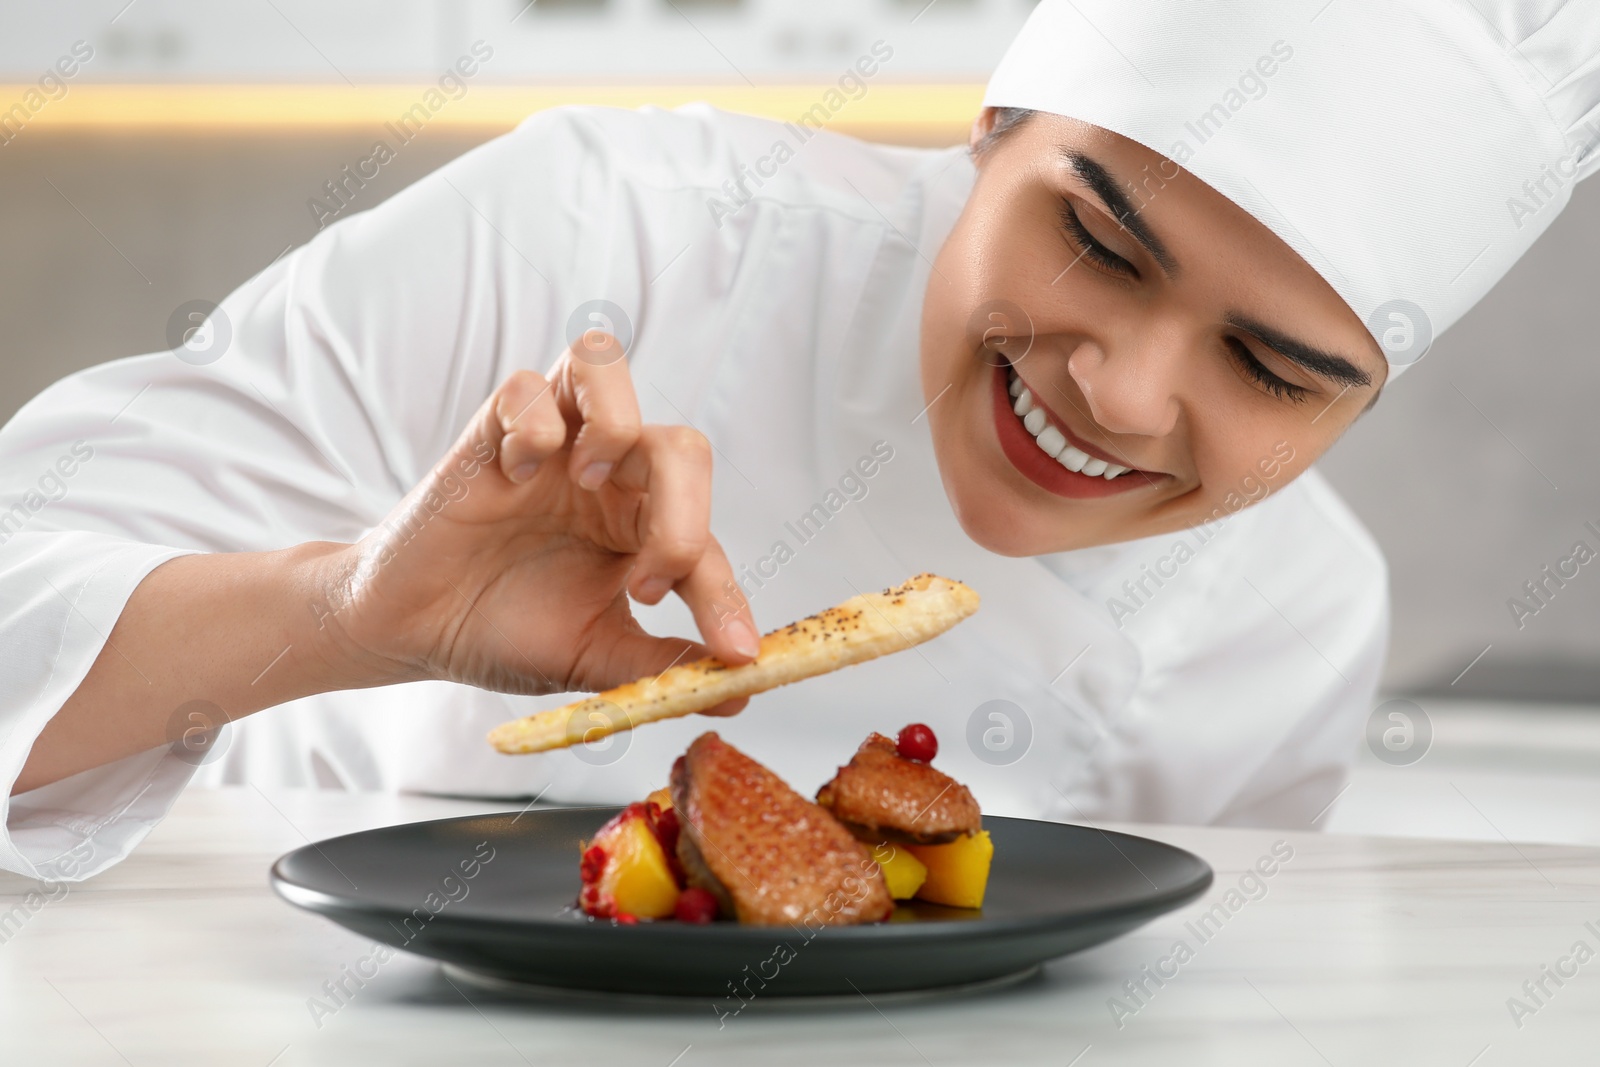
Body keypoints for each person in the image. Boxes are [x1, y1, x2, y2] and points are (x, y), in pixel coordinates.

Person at [3, 0, 1597, 881]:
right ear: (989, 132)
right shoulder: (594, 228)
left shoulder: (1298, 619)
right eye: (1100, 246)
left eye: (1271, 368)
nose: (1120, 392)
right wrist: (354, 616)